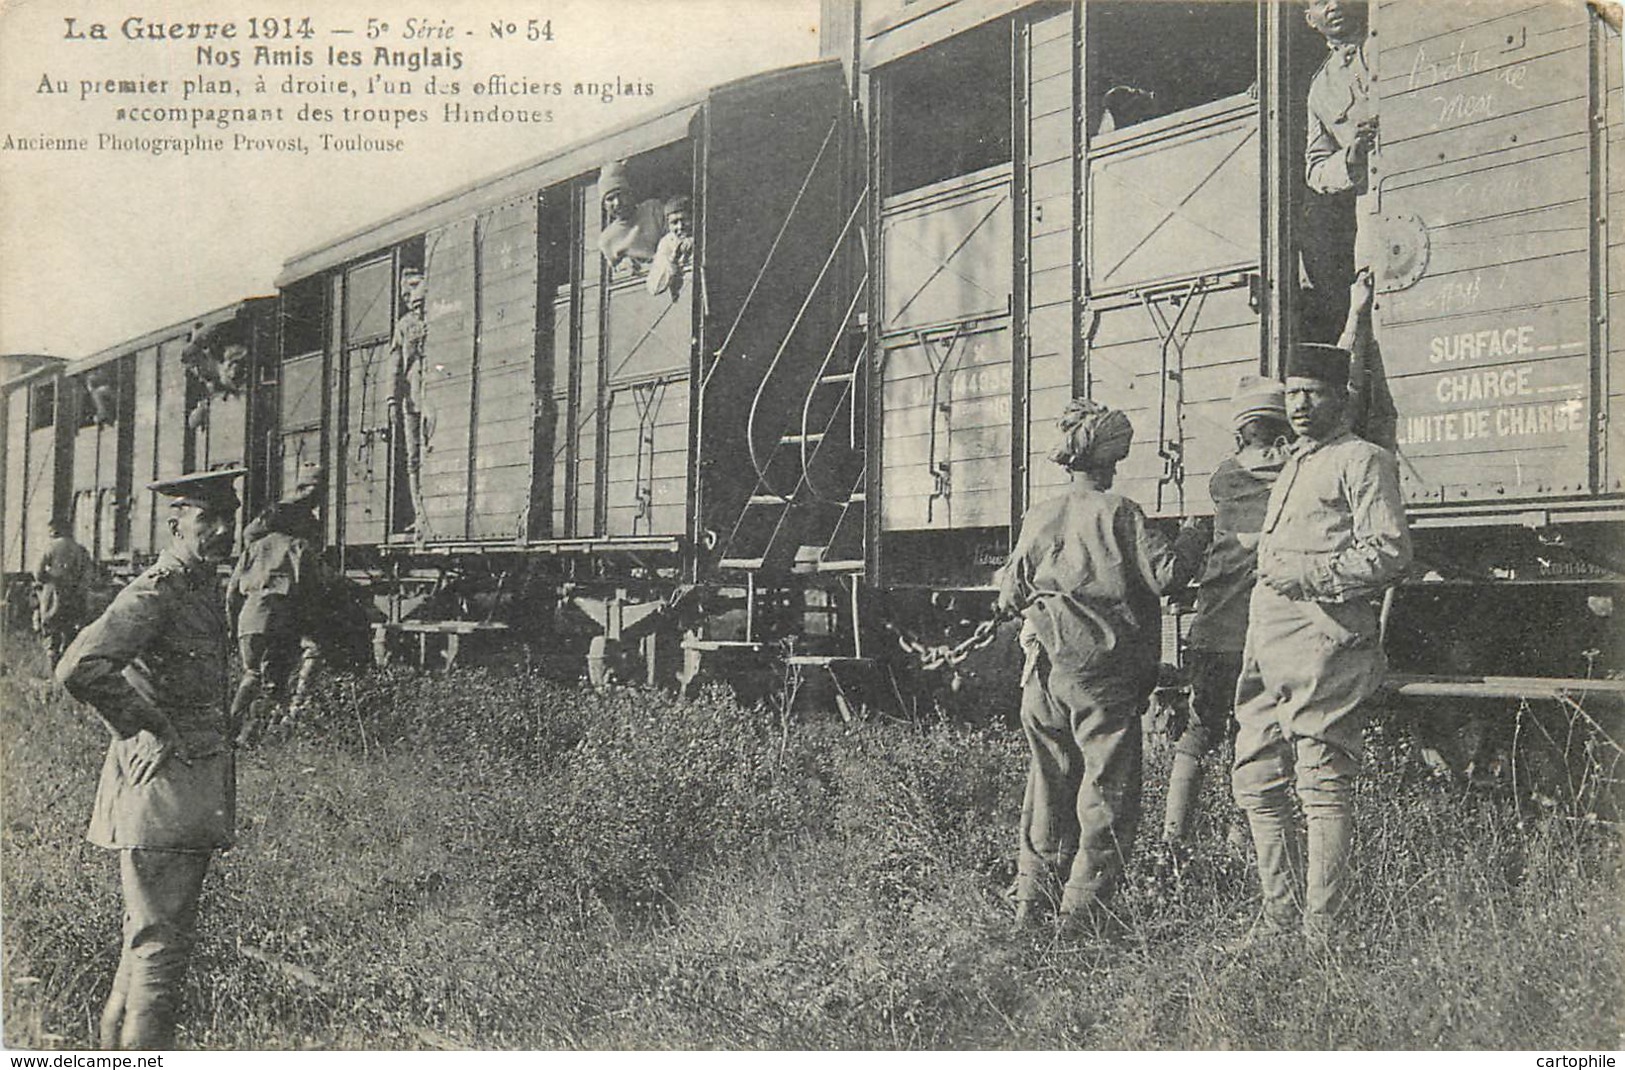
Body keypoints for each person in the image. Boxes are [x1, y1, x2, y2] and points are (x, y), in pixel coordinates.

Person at [56, 468, 246, 1049]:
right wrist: (148, 726)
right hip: (163, 791)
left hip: (188, 791)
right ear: (176, 522)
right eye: (205, 518)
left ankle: (111, 1057)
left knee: (146, 945)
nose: (220, 531)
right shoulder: (158, 590)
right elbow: (79, 667)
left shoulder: (199, 590)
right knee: (160, 951)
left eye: (227, 520)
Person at [997, 399, 1202, 932]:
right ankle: (1081, 917)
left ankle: (1030, 904)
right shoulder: (1122, 512)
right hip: (1102, 674)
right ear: (1114, 457)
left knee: (1046, 789)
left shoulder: (1040, 513)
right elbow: (1167, 576)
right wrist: (1198, 533)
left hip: (1042, 674)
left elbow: (1009, 591)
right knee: (1107, 796)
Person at [1231, 343, 1411, 948]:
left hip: (1325, 640)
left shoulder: (1363, 460)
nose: (1300, 404)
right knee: (1255, 776)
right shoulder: (1296, 462)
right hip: (1267, 643)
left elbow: (1389, 552)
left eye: (1314, 392)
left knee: (1321, 781)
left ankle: (1322, 932)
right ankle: (1278, 917)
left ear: (1343, 398)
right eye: (1293, 392)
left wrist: (1308, 575)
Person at [1162, 376, 1294, 844]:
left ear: (1240, 434)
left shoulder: (1223, 477)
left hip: (1214, 629)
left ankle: (1172, 841)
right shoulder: (1295, 472)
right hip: (1263, 636)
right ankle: (1244, 842)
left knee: (1200, 730)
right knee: (1257, 737)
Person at [1301, 0, 1397, 449]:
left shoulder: (1393, 41)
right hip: (1374, 219)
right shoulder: (1320, 89)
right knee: (1370, 326)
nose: (1335, 5)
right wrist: (1350, 159)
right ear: (1310, 19)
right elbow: (1315, 169)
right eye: (1320, 1)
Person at [227, 481, 329, 742]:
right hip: (279, 620)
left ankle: (230, 727)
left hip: (248, 620)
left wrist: (231, 625)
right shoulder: (298, 547)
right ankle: (254, 737)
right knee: (276, 682)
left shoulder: (252, 548)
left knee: (251, 675)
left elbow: (232, 592)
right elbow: (312, 590)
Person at [389, 266, 433, 536]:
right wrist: (392, 400)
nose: (410, 297)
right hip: (413, 400)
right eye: (406, 293)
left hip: (434, 397)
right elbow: (395, 363)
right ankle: (420, 514)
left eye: (415, 288)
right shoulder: (405, 325)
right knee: (414, 459)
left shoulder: (435, 317)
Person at [35, 517, 95, 667]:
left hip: (53, 595)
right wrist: (79, 590)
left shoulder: (50, 547)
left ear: (54, 530)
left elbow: (37, 573)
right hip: (74, 596)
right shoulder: (81, 550)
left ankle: (53, 673)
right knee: (70, 634)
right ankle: (67, 672)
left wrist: (48, 580)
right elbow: (88, 575)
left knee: (52, 635)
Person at [596, 160, 665, 275]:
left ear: (630, 194)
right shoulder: (606, 240)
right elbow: (616, 272)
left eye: (621, 194)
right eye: (610, 199)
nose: (617, 203)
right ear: (604, 205)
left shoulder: (653, 209)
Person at [646, 194, 694, 299]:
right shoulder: (666, 243)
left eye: (684, 220)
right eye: (674, 222)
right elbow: (654, 287)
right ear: (668, 225)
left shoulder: (702, 235)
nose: (680, 227)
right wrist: (673, 258)